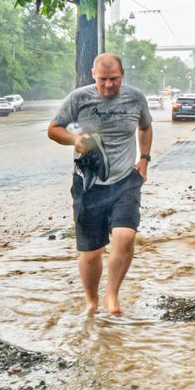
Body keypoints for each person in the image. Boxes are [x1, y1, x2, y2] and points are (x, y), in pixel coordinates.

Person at [47, 53, 153, 315]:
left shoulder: (135, 97)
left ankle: (112, 296)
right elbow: (53, 129)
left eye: (114, 79)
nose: (108, 85)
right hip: (89, 182)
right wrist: (74, 140)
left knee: (125, 235)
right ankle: (92, 301)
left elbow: (145, 127)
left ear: (123, 75)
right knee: (92, 252)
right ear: (93, 75)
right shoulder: (79, 98)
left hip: (125, 179)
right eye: (103, 79)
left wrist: (144, 160)